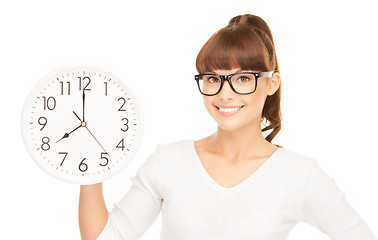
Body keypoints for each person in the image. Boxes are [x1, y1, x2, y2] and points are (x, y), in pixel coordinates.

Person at [79, 14, 377, 240]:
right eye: (213, 78)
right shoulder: (168, 162)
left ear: (271, 83)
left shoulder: (299, 175)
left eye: (243, 78)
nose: (225, 93)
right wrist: (89, 164)